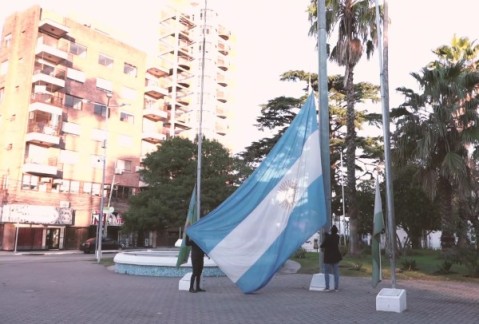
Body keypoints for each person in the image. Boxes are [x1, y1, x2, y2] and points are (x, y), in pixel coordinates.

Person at [320, 225, 342, 291]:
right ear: (336, 231)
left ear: (331, 231)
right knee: (336, 273)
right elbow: (332, 237)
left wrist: (326, 235)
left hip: (328, 257)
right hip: (336, 257)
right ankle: (336, 288)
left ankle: (327, 287)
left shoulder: (328, 238)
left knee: (326, 272)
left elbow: (322, 245)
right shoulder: (337, 237)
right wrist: (327, 235)